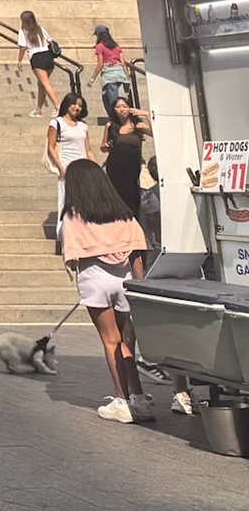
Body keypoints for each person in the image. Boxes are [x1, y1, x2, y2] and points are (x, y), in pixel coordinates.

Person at [58, 157, 153, 422]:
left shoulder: (74, 216)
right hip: (124, 279)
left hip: (95, 280)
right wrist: (140, 283)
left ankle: (121, 402)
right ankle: (139, 398)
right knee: (126, 341)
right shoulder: (122, 213)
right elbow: (137, 251)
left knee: (110, 340)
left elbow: (73, 257)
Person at [46, 91, 91, 230]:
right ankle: (63, 234)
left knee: (84, 203)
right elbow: (51, 147)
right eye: (74, 104)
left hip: (83, 168)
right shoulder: (56, 123)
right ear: (67, 105)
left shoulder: (83, 126)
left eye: (80, 106)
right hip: (67, 167)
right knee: (66, 202)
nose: (77, 108)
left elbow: (88, 150)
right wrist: (61, 167)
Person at [101, 97, 152, 217]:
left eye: (124, 106)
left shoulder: (137, 126)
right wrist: (105, 146)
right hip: (116, 165)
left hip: (133, 165)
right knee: (117, 194)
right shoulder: (110, 126)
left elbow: (155, 133)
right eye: (118, 107)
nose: (121, 110)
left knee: (133, 195)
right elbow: (103, 146)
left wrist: (147, 115)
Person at [17, 10, 62, 116]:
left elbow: (22, 47)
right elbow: (50, 40)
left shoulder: (23, 31)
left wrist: (19, 60)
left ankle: (57, 106)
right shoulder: (40, 29)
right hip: (48, 56)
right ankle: (38, 109)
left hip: (37, 58)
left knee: (45, 83)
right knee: (41, 83)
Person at [92, 25, 128, 119]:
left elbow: (100, 63)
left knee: (111, 100)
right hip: (119, 73)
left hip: (109, 75)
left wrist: (92, 78)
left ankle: (116, 118)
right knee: (109, 97)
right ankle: (115, 117)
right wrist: (127, 76)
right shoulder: (116, 46)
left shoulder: (100, 47)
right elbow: (122, 61)